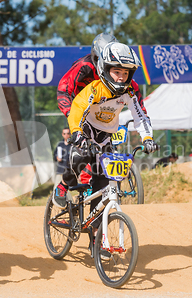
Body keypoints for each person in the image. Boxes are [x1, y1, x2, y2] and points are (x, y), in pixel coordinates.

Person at [52, 42, 159, 255]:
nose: (121, 77)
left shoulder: (130, 90)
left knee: (103, 188)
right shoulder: (94, 88)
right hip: (85, 130)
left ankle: (96, 242)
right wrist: (77, 134)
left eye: (125, 73)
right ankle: (63, 186)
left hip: (106, 137)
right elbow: (77, 110)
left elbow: (140, 115)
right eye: (116, 71)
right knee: (80, 157)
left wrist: (148, 138)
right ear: (105, 69)